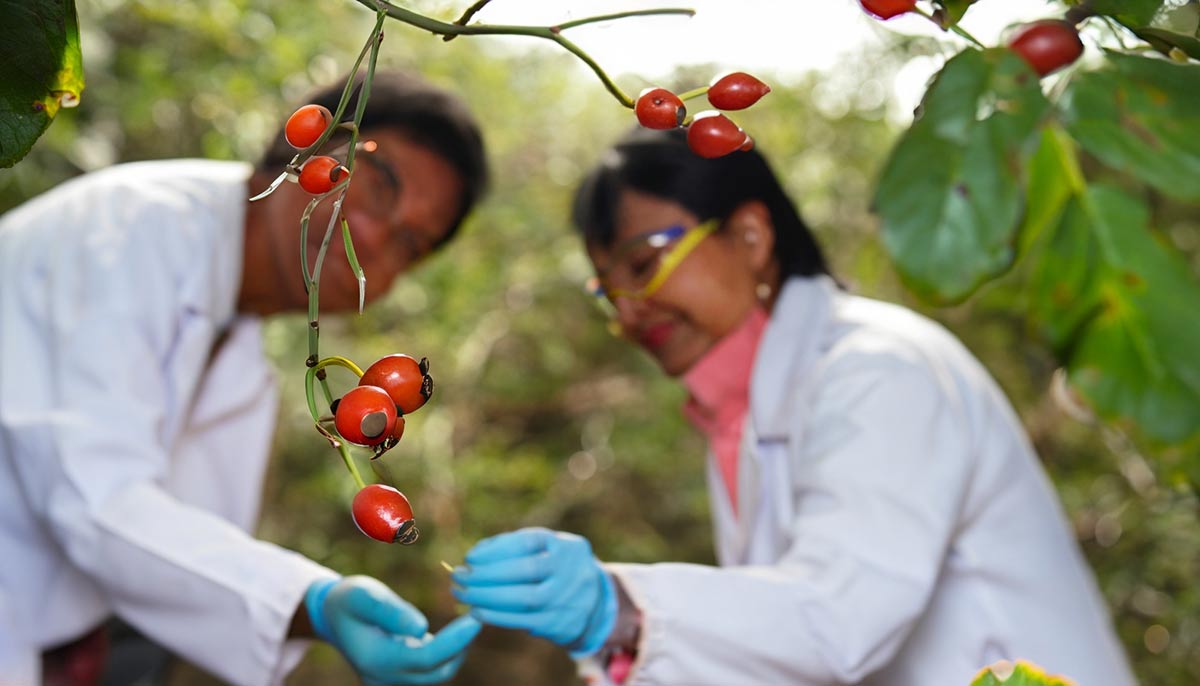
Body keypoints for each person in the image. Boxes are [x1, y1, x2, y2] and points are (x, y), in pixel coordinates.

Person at [449, 127, 1138, 686]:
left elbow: (842, 618)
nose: (631, 309)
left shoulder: (878, 369)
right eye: (608, 290)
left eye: (645, 261)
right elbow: (778, 649)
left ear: (750, 236)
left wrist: (622, 609)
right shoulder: (745, 416)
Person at [0, 70, 488, 686]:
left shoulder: (241, 356)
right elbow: (94, 499)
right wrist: (308, 600)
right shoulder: (129, 231)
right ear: (310, 143)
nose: (374, 237)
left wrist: (308, 607)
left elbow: (180, 562)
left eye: (411, 244)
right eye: (380, 186)